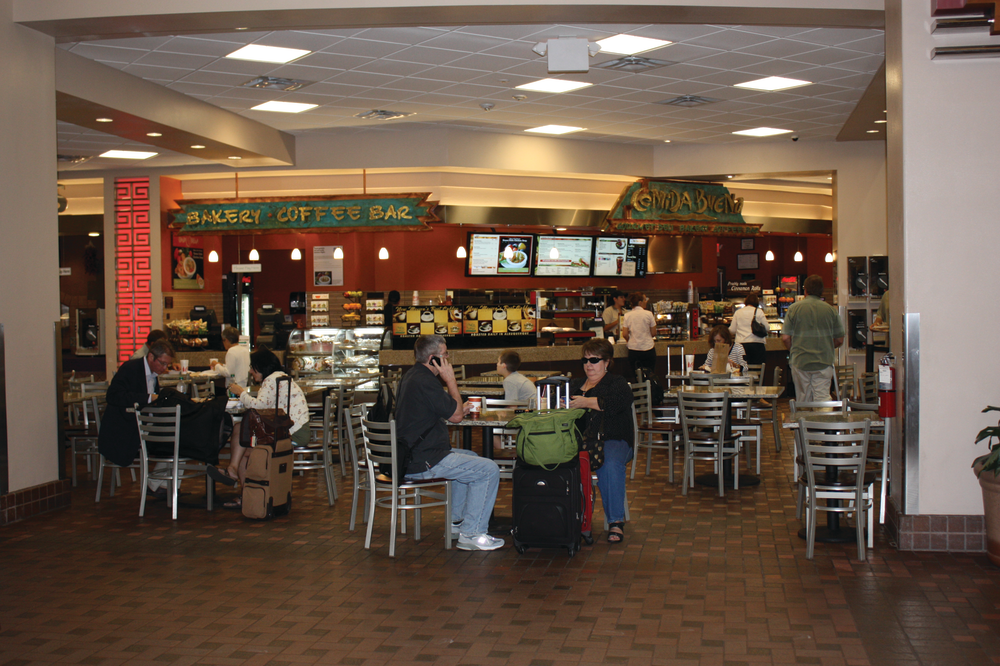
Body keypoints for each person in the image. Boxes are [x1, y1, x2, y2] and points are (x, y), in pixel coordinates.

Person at [396, 334, 504, 551]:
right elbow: (455, 417)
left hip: (414, 454)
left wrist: (455, 409)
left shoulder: (413, 376)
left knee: (471, 458)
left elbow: (442, 411)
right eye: (445, 355)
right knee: (489, 469)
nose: (448, 359)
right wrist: (451, 380)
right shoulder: (426, 381)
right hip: (423, 460)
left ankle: (456, 523)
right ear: (433, 359)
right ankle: (472, 534)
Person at [207, 348, 310, 500]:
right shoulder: (281, 378)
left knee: (243, 450)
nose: (250, 371)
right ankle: (235, 475)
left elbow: (259, 406)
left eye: (252, 367)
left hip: (291, 433)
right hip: (296, 429)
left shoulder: (270, 381)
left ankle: (245, 494)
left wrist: (241, 393)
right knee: (239, 431)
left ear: (261, 367)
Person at [569, 338, 634, 544]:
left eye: (594, 360)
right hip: (581, 442)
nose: (589, 364)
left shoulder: (617, 383)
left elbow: (616, 403)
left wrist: (584, 402)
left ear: (607, 362)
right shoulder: (575, 384)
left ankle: (615, 521)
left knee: (609, 463)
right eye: (585, 360)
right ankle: (570, 517)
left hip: (614, 439)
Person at [97, 339, 176, 498]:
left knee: (181, 438)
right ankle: (157, 485)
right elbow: (113, 396)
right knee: (174, 439)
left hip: (143, 424)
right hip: (124, 428)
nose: (164, 368)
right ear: (151, 357)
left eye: (167, 365)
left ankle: (163, 486)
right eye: (162, 363)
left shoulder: (153, 373)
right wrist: (148, 398)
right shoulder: (131, 369)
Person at [782, 274, 845, 403]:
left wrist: (793, 349)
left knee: (803, 398)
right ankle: (822, 421)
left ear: (805, 290)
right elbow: (840, 340)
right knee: (822, 398)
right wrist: (826, 345)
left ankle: (804, 421)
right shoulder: (831, 310)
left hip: (800, 359)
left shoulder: (794, 309)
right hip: (824, 360)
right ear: (821, 291)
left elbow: (785, 338)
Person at [621, 291, 657, 381]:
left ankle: (639, 393)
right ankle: (649, 393)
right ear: (640, 302)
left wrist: (631, 339)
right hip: (648, 349)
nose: (646, 301)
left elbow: (624, 334)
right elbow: (653, 333)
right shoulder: (649, 314)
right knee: (649, 376)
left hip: (634, 350)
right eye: (645, 300)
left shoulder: (627, 315)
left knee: (636, 377)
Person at [729, 293, 768, 366]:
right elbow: (767, 327)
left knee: (742, 368)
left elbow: (732, 330)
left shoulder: (738, 312)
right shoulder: (759, 311)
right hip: (757, 344)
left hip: (741, 344)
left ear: (746, 301)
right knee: (757, 368)